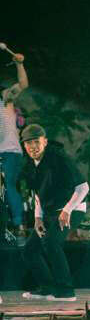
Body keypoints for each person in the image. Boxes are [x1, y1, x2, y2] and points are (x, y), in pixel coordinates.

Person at [19, 124, 89, 301]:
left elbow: (83, 187)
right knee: (30, 250)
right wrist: (38, 218)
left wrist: (67, 210)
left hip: (73, 208)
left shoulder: (59, 158)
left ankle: (66, 291)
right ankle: (47, 288)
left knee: (51, 243)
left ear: (45, 141)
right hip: (50, 212)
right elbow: (38, 194)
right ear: (24, 146)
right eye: (28, 143)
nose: (33, 147)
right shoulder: (30, 165)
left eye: (36, 142)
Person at [1, 51, 28, 235]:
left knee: (9, 184)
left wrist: (19, 64)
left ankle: (19, 225)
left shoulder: (5, 97)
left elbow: (23, 84)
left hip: (10, 151)